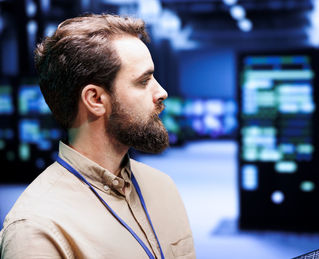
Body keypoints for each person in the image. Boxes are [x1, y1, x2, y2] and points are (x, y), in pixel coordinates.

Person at [0, 14, 195, 259]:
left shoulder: (162, 186)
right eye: (144, 81)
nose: (162, 92)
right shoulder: (37, 228)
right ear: (95, 99)